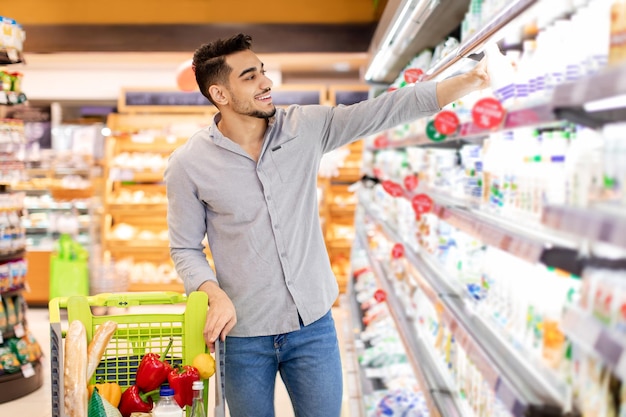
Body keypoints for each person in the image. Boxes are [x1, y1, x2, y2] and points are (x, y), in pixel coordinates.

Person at [164, 33, 489, 417]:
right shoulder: (188, 164)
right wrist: (210, 291)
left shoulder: (305, 127)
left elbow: (387, 109)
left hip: (313, 326)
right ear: (219, 94)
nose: (267, 83)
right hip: (243, 334)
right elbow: (185, 247)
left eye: (262, 72)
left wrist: (472, 80)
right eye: (250, 77)